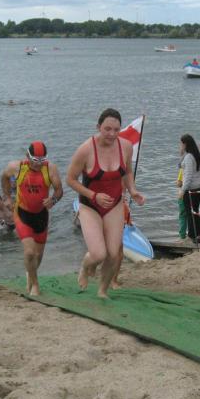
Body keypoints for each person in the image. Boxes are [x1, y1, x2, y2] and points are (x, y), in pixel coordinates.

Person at [67, 108, 145, 298]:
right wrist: (94, 195)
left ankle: (102, 290)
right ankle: (85, 266)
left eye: (116, 130)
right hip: (90, 205)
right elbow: (70, 179)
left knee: (113, 253)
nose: (112, 134)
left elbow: (127, 172)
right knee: (98, 254)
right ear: (98, 127)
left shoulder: (125, 146)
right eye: (107, 129)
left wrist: (133, 190)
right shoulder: (86, 149)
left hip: (115, 204)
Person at [1, 141, 64, 296]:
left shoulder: (50, 169)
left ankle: (30, 274)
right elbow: (4, 177)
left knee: (38, 256)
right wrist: (7, 197)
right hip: (22, 213)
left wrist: (53, 200)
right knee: (30, 252)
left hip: (41, 215)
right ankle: (35, 285)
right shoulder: (16, 167)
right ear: (27, 156)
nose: (38, 163)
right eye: (35, 160)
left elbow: (59, 190)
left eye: (42, 160)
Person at [178, 134, 200, 241]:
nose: (180, 145)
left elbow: (188, 176)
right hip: (198, 186)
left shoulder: (189, 157)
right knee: (195, 211)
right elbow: (181, 166)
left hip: (191, 188)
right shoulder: (193, 154)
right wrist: (182, 154)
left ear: (185, 144)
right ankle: (196, 233)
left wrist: (183, 190)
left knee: (190, 212)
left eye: (181, 143)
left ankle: (192, 235)